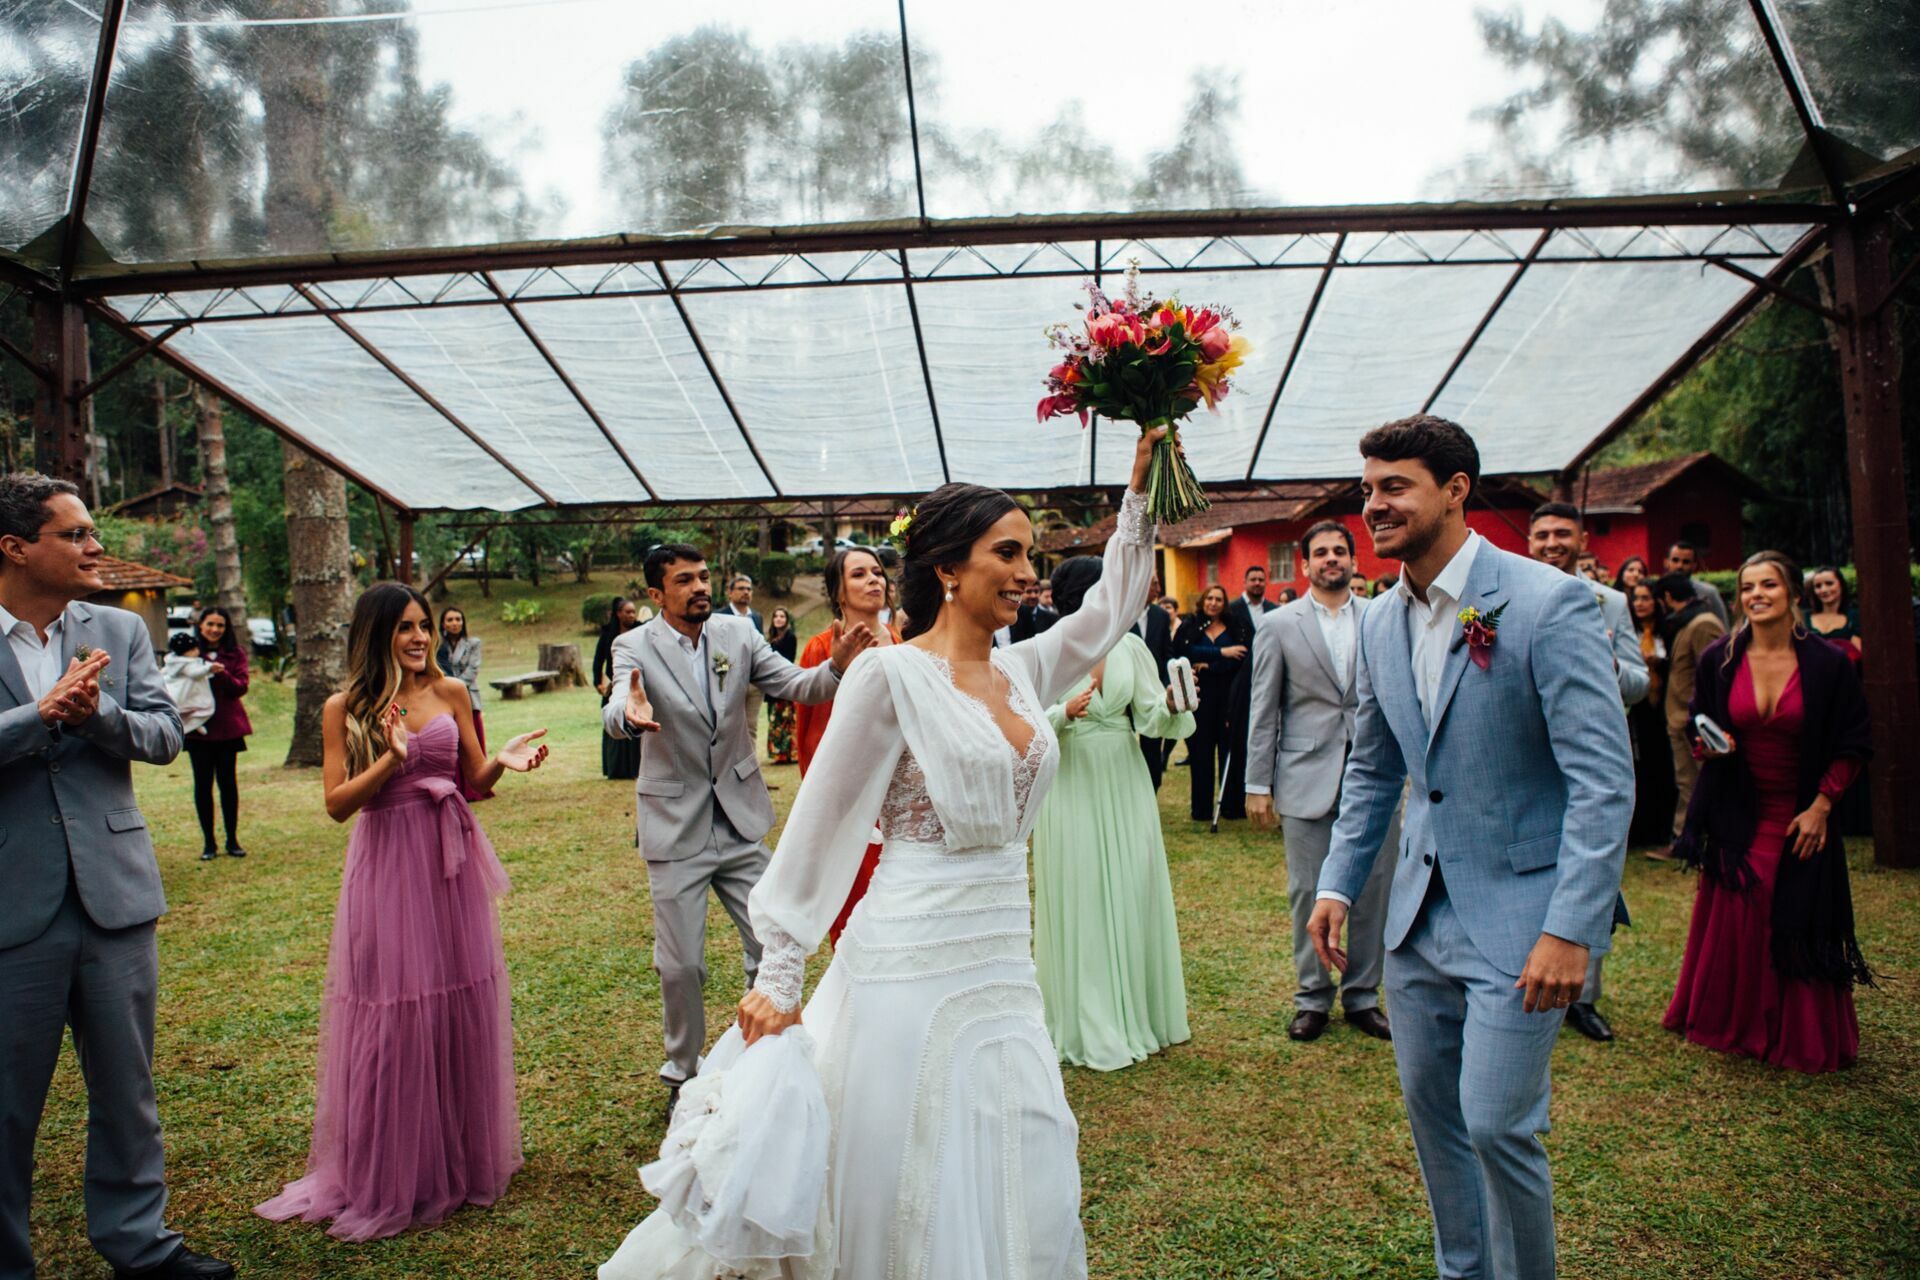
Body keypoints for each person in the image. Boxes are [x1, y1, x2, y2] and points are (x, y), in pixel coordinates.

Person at [600, 429, 1164, 1280]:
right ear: (948, 569)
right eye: (1007, 553)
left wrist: (1142, 497)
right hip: (909, 954)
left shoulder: (1023, 670)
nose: (1027, 572)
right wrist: (779, 972)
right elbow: (820, 824)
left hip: (1004, 960)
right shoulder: (888, 678)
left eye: (1031, 555)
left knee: (1014, 1136)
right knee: (906, 1150)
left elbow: (1111, 609)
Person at [1307, 416, 1632, 1280]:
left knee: (1496, 1124)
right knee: (1435, 1121)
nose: (1374, 505)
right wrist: (1338, 885)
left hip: (1525, 921)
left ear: (1455, 490)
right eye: (1367, 489)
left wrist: (1572, 929)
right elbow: (1374, 770)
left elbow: (1603, 781)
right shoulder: (1380, 620)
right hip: (1416, 924)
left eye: (1395, 487)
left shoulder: (1545, 602)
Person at [257, 583, 550, 1241]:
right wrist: (391, 759)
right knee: (395, 1011)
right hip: (389, 865)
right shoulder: (345, 707)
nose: (420, 638)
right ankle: (392, 1169)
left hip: (450, 865)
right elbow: (337, 804)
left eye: (425, 626)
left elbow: (473, 778)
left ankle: (456, 1157)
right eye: (405, 628)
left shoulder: (452, 691)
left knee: (457, 999)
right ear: (377, 635)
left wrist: (501, 762)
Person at [0, 473, 231, 1280]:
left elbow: (165, 736)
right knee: (6, 1104)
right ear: (15, 547)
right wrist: (39, 715)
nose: (96, 547)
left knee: (127, 1090)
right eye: (75, 534)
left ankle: (140, 1244)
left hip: (114, 892)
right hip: (11, 902)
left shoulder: (119, 629)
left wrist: (94, 713)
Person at [603, 546, 870, 1102]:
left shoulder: (738, 634)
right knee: (681, 966)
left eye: (704, 577)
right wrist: (628, 714)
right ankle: (683, 1072)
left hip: (740, 821)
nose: (700, 587)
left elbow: (798, 685)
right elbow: (618, 705)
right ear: (656, 594)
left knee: (774, 943)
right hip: (675, 828)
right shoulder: (634, 645)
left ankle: (757, 1059)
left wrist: (837, 666)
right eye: (684, 580)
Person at [1664, 552, 1873, 1074]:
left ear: (1794, 594)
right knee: (1744, 903)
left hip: (1802, 808)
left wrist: (1823, 806)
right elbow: (1698, 722)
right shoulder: (1720, 658)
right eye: (1747, 587)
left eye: (1768, 585)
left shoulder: (1828, 663)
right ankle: (1733, 1023)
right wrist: (1710, 745)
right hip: (1739, 805)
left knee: (1795, 906)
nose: (1756, 595)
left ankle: (1798, 1033)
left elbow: (1854, 742)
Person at [1033, 554, 1194, 1069]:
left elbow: (1149, 716)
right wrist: (1063, 713)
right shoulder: (1047, 650)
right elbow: (1023, 726)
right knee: (1081, 887)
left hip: (1124, 774)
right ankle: (1089, 1018)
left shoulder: (1130, 646)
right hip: (1071, 779)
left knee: (1130, 883)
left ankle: (1139, 1011)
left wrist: (1171, 704)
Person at [1246, 519, 1396, 1043]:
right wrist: (1257, 785)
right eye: (1322, 552)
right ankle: (1313, 997)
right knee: (1309, 892)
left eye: (1340, 551)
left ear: (1354, 561)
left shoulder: (1381, 617)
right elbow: (1264, 709)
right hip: (1305, 775)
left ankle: (1363, 996)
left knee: (1374, 889)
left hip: (1375, 776)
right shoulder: (1278, 625)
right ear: (1305, 564)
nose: (1332, 558)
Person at [1526, 502, 1649, 1044]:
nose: (1552, 543)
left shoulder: (1611, 602)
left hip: (1588, 754)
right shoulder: (1506, 596)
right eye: (1543, 534)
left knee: (1593, 867)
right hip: (1529, 756)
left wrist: (1609, 665)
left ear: (1581, 541)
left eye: (1562, 533)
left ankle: (1585, 997)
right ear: (1530, 542)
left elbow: (1641, 683)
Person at [796, 546, 901, 944]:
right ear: (839, 592)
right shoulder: (822, 648)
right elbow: (812, 733)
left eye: (877, 572)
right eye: (858, 574)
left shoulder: (901, 641)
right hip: (852, 794)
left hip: (900, 790)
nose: (874, 579)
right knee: (854, 903)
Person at [1654, 571, 1728, 857]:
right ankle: (1685, 839)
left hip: (1693, 719)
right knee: (1687, 781)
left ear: (1667, 597)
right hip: (1680, 717)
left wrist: (1701, 718)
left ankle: (1694, 841)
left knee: (1697, 781)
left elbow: (1716, 674)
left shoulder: (1703, 623)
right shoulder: (1688, 621)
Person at [1173, 584, 1250, 822]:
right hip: (1200, 698)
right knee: (1200, 753)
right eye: (1209, 598)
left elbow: (1241, 656)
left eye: (1218, 599)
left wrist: (1210, 665)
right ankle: (1202, 809)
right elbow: (1183, 651)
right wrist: (1221, 652)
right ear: (1203, 601)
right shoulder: (1191, 625)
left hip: (1229, 698)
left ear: (1224, 603)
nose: (1213, 603)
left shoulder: (1235, 626)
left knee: (1230, 752)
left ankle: (1232, 806)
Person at [183, 606, 253, 860]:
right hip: (198, 730)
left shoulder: (235, 653)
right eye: (210, 624)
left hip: (227, 729)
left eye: (220, 625)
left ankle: (232, 840)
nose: (214, 629)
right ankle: (209, 843)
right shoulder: (189, 654)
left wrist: (221, 674)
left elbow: (241, 687)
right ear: (200, 625)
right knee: (203, 785)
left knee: (228, 784)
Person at [1626, 582, 1678, 847]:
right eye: (1636, 598)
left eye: (1646, 598)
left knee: (1663, 767)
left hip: (1663, 707)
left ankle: (1663, 826)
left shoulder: (1668, 632)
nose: (1640, 603)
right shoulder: (1630, 632)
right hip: (1639, 710)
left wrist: (1660, 665)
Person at [437, 606, 488, 802]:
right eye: (450, 620)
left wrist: (453, 687)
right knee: (452, 743)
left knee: (471, 742)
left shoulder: (473, 643)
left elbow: (473, 669)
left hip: (468, 697)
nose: (454, 623)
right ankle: (455, 785)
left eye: (458, 619)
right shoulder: (438, 646)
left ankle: (476, 785)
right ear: (443, 624)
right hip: (444, 701)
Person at [1130, 570, 1176, 788]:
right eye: (1154, 584)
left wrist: (1166, 683)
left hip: (1153, 691)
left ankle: (1152, 787)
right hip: (1126, 691)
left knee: (1152, 746)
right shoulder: (1123, 614)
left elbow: (1167, 653)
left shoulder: (1161, 615)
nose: (1158, 589)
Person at [594, 597, 643, 780]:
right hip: (613, 685)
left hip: (636, 683)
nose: (632, 615)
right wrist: (599, 683)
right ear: (618, 613)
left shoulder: (640, 630)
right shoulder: (608, 633)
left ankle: (636, 768)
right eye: (628, 612)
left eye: (633, 612)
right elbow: (598, 660)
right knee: (614, 721)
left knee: (635, 723)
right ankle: (616, 768)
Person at [162, 631, 217, 735]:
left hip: (177, 694)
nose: (197, 651)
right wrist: (209, 668)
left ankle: (192, 725)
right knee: (207, 710)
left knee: (185, 713)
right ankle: (188, 727)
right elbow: (194, 673)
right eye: (193, 649)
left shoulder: (173, 662)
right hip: (186, 693)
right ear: (184, 652)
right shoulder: (187, 663)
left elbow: (163, 672)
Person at [1664, 540, 1730, 626]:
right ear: (1666, 562)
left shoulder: (1708, 593)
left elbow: (1723, 628)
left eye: (1686, 562)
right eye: (1675, 560)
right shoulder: (1656, 592)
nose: (1679, 566)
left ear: (1694, 566)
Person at [764, 607, 799, 765]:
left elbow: (788, 660)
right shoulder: (770, 638)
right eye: (776, 616)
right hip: (770, 683)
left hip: (784, 682)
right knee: (774, 719)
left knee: (785, 718)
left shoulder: (790, 637)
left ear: (786, 620)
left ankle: (790, 754)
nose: (778, 619)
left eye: (782, 616)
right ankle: (778, 754)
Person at [1803, 566, 1862, 657]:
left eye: (1829, 583)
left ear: (1841, 585)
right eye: (1818, 586)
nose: (1823, 590)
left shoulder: (1854, 617)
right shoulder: (1802, 617)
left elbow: (1859, 653)